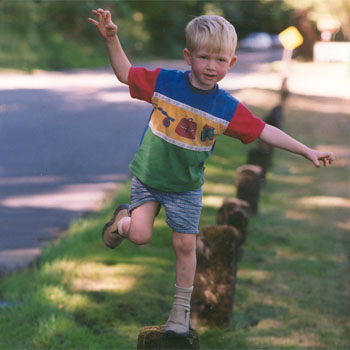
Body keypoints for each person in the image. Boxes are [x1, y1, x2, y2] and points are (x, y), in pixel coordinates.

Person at [88, 9, 335, 337]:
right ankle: (122, 221)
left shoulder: (226, 107)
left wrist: (306, 150)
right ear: (188, 56)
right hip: (149, 178)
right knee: (140, 236)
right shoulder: (166, 83)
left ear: (231, 63)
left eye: (220, 60)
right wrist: (111, 38)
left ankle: (180, 312)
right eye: (204, 57)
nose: (211, 66)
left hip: (186, 188)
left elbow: (264, 130)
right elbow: (125, 74)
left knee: (185, 246)